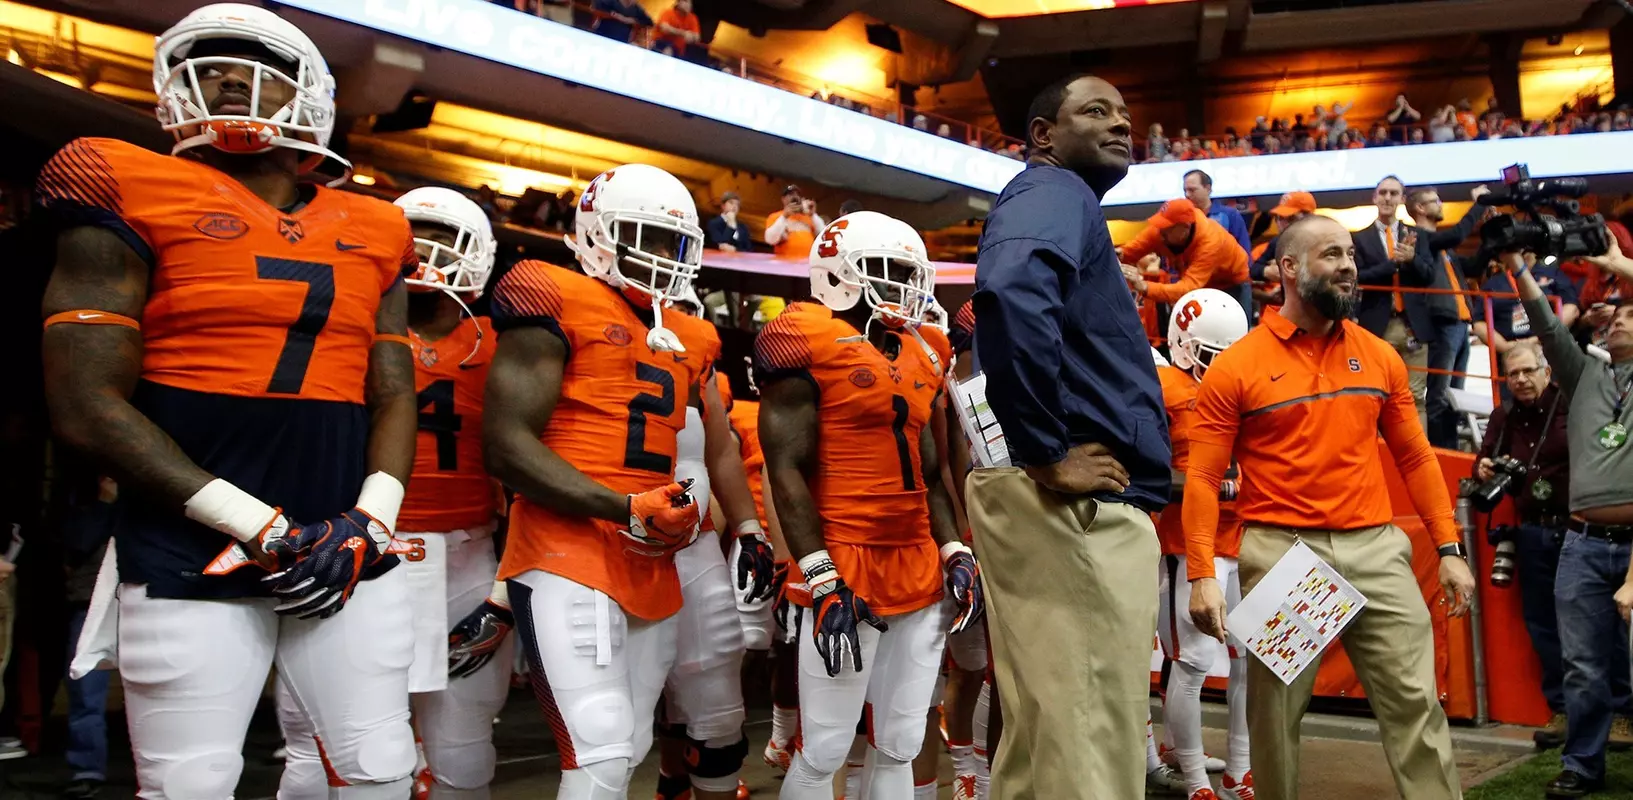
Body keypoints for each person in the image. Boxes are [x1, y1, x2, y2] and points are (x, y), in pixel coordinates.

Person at [39, 5, 422, 796]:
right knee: (191, 785)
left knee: (380, 774)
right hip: (191, 548)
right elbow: (82, 404)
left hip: (342, 547)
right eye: (207, 66)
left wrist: (367, 521)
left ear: (310, 97)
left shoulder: (380, 225)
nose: (223, 81)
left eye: (254, 69)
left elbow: (392, 391)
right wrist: (258, 526)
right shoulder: (120, 178)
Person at [1186, 215, 1476, 800]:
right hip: (1284, 553)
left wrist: (1449, 548)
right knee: (1275, 721)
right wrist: (1200, 576)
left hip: (1377, 547)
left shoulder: (1377, 355)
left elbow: (1417, 457)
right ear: (1289, 269)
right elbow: (1203, 475)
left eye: (1349, 253)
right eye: (1331, 255)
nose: (1348, 264)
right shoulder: (1237, 366)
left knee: (1417, 704)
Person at [482, 163, 713, 799]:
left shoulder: (687, 331)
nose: (661, 258)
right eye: (644, 237)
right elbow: (505, 444)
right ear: (596, 233)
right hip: (566, 548)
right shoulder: (551, 291)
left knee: (630, 746)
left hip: (650, 555)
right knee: (601, 745)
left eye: (672, 244)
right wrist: (625, 506)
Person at [968, 73, 1170, 799]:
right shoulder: (1053, 192)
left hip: (1060, 504)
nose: (1120, 123)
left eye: (1124, 111)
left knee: (1056, 735)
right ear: (1043, 135)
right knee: (1087, 735)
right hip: (1067, 508)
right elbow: (1012, 292)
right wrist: (1047, 450)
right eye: (1094, 111)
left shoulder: (1062, 201)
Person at [272, 186, 509, 799]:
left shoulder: (503, 343)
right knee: (320, 745)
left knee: (465, 749)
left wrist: (507, 589)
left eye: (443, 237)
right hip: (360, 545)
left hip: (467, 554)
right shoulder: (345, 318)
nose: (427, 252)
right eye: (416, 235)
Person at [758, 211, 982, 800]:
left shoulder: (926, 346)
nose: (904, 286)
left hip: (915, 555)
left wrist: (954, 544)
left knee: (903, 741)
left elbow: (930, 469)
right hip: (844, 556)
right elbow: (785, 469)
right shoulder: (803, 335)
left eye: (910, 273)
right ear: (838, 271)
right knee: (827, 745)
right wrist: (818, 574)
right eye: (888, 271)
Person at [1506, 242, 1633, 799]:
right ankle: (1583, 764)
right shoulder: (1583, 376)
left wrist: (1614, 266)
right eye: (1615, 315)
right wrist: (1516, 268)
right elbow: (1545, 326)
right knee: (1581, 665)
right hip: (1581, 541)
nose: (1618, 320)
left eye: (1631, 313)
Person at [652, 293, 776, 800]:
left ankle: (678, 781)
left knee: (715, 702)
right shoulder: (575, 332)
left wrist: (744, 530)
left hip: (695, 543)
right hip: (608, 540)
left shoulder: (703, 359)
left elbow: (715, 455)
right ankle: (670, 777)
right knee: (611, 725)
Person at [1155, 289, 1252, 800]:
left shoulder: (1243, 382)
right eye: (1215, 356)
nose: (1224, 369)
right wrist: (1205, 483)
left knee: (1247, 655)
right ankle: (1194, 781)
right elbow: (1147, 468)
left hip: (1241, 535)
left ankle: (1240, 767)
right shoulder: (1165, 386)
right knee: (1191, 662)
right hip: (1184, 540)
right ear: (1186, 346)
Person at [1474, 342, 1581, 751]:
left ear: (1547, 371)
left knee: (1593, 620)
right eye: (1512, 374)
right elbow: (1484, 460)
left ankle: (1621, 711)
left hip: (1577, 528)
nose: (1519, 379)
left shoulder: (1572, 404)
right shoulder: (1503, 416)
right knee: (1542, 624)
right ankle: (1563, 710)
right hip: (1531, 532)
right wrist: (1482, 467)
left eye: (1527, 371)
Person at [1402, 184, 1492, 449]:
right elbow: (1456, 235)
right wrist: (1480, 205)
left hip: (1461, 324)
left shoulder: (1443, 248)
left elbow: (1474, 266)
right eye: (1435, 200)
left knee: (1455, 394)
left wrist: (1491, 238)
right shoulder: (1418, 238)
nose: (1440, 204)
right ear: (1420, 208)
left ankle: (1449, 448)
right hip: (1442, 323)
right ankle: (1443, 452)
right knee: (1440, 393)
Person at [1352, 176, 1429, 428]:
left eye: (1393, 193)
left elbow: (1428, 275)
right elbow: (1358, 277)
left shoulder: (1418, 235)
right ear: (1374, 198)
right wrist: (1393, 263)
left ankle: (1420, 458)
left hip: (1412, 325)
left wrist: (1413, 260)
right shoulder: (1359, 238)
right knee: (1375, 395)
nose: (1387, 198)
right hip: (1377, 326)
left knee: (1416, 397)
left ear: (1402, 199)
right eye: (1383, 192)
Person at [1119, 198, 1252, 319]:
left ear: (1185, 228)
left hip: (1231, 284)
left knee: (1236, 335)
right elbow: (1131, 250)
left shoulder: (1209, 242)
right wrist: (1117, 254)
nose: (1160, 231)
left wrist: (1144, 286)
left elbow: (1188, 288)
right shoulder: (1162, 230)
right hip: (1198, 282)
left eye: (1167, 228)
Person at [1182, 170, 1251, 257]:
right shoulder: (1182, 218)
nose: (1187, 194)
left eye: (1192, 190)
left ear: (1208, 189)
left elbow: (1244, 250)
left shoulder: (1230, 215)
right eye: (1185, 190)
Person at [765, 185, 822, 259]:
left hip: (805, 263)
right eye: (790, 194)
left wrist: (813, 215)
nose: (795, 197)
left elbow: (823, 235)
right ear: (783, 199)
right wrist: (785, 216)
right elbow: (770, 240)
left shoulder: (809, 217)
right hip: (784, 263)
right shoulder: (775, 216)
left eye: (797, 194)